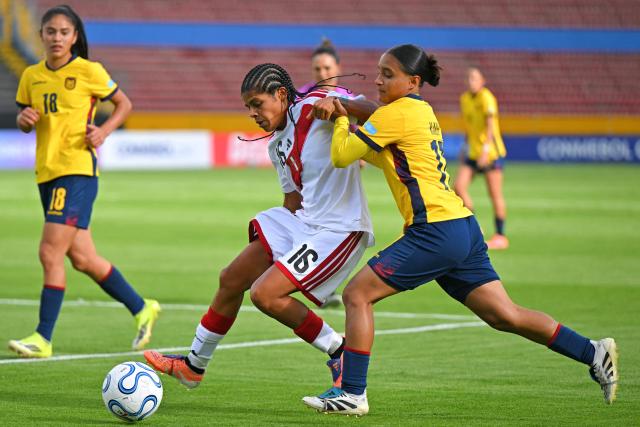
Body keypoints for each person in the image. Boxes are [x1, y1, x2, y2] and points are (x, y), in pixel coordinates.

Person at [301, 44, 618, 416]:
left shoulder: (397, 112)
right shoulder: (419, 110)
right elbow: (380, 155)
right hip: (461, 226)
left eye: (388, 74)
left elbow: (341, 155)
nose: (378, 80)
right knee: (505, 315)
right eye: (378, 72)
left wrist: (339, 118)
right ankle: (593, 351)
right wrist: (350, 122)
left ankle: (352, 394)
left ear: (413, 81)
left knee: (357, 295)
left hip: (434, 230)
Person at [144, 63, 378, 390]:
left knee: (265, 295)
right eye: (248, 107)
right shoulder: (276, 145)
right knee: (231, 277)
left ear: (281, 94)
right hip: (304, 220)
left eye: (257, 104)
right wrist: (278, 250)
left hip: (339, 228)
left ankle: (339, 350)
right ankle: (193, 365)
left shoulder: (314, 105)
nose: (252, 113)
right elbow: (292, 203)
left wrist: (343, 106)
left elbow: (378, 114)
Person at [8, 5, 160, 359]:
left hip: (76, 171)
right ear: (41, 35)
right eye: (50, 32)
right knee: (84, 258)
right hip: (46, 173)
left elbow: (124, 103)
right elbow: (25, 118)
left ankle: (43, 338)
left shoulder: (89, 71)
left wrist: (104, 131)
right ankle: (142, 307)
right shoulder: (31, 75)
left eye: (64, 32)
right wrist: (24, 119)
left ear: (75, 36)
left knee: (49, 252)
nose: (57, 38)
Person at [299, 38, 350, 309]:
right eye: (318, 69)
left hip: (338, 176)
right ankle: (318, 285)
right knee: (310, 227)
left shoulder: (349, 98)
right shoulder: (302, 97)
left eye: (327, 68)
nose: (323, 74)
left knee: (333, 231)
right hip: (309, 178)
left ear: (338, 67)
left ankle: (322, 286)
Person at [455, 68, 508, 249]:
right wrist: (465, 147)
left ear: (482, 81)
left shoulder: (487, 97)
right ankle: (476, 228)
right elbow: (469, 127)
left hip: (491, 153)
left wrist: (486, 151)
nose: (471, 81)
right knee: (458, 187)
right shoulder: (465, 99)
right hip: (473, 152)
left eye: (475, 78)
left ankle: (501, 236)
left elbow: (491, 126)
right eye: (469, 78)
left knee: (495, 194)